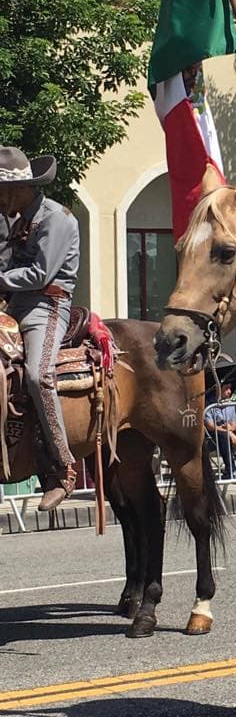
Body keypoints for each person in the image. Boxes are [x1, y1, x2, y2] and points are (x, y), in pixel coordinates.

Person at [0, 146, 80, 510]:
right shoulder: (14, 219)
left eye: (3, 191)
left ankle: (62, 469)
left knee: (36, 375)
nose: (0, 199)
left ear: (21, 189)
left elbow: (39, 274)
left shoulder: (56, 218)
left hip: (46, 307)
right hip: (15, 306)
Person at [204, 382, 236, 480]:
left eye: (230, 389)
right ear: (218, 389)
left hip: (228, 431)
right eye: (226, 389)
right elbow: (210, 425)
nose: (229, 392)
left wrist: (230, 429)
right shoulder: (209, 404)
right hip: (213, 436)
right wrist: (229, 433)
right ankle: (231, 470)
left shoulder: (230, 404)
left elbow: (234, 424)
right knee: (223, 436)